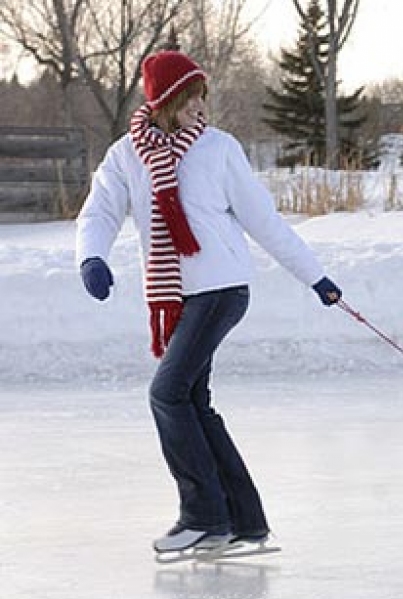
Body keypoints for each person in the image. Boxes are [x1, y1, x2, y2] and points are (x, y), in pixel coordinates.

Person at [75, 50, 343, 554]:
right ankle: (245, 520)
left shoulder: (219, 149)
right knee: (193, 401)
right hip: (177, 294)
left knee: (167, 393)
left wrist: (316, 277)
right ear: (163, 101)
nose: (200, 106)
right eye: (189, 97)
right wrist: (91, 258)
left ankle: (203, 517)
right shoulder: (125, 155)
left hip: (221, 289)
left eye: (203, 96)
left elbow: (264, 219)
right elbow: (100, 213)